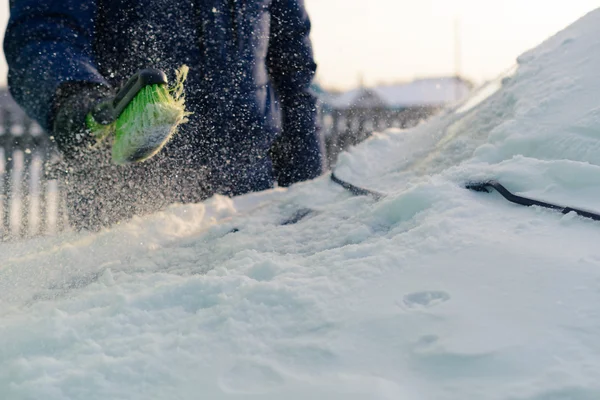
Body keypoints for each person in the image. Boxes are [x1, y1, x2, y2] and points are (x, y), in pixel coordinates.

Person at [3, 0, 325, 230]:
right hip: (126, 209)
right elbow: (44, 31)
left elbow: (294, 76)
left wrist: (308, 190)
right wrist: (73, 93)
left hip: (251, 196)